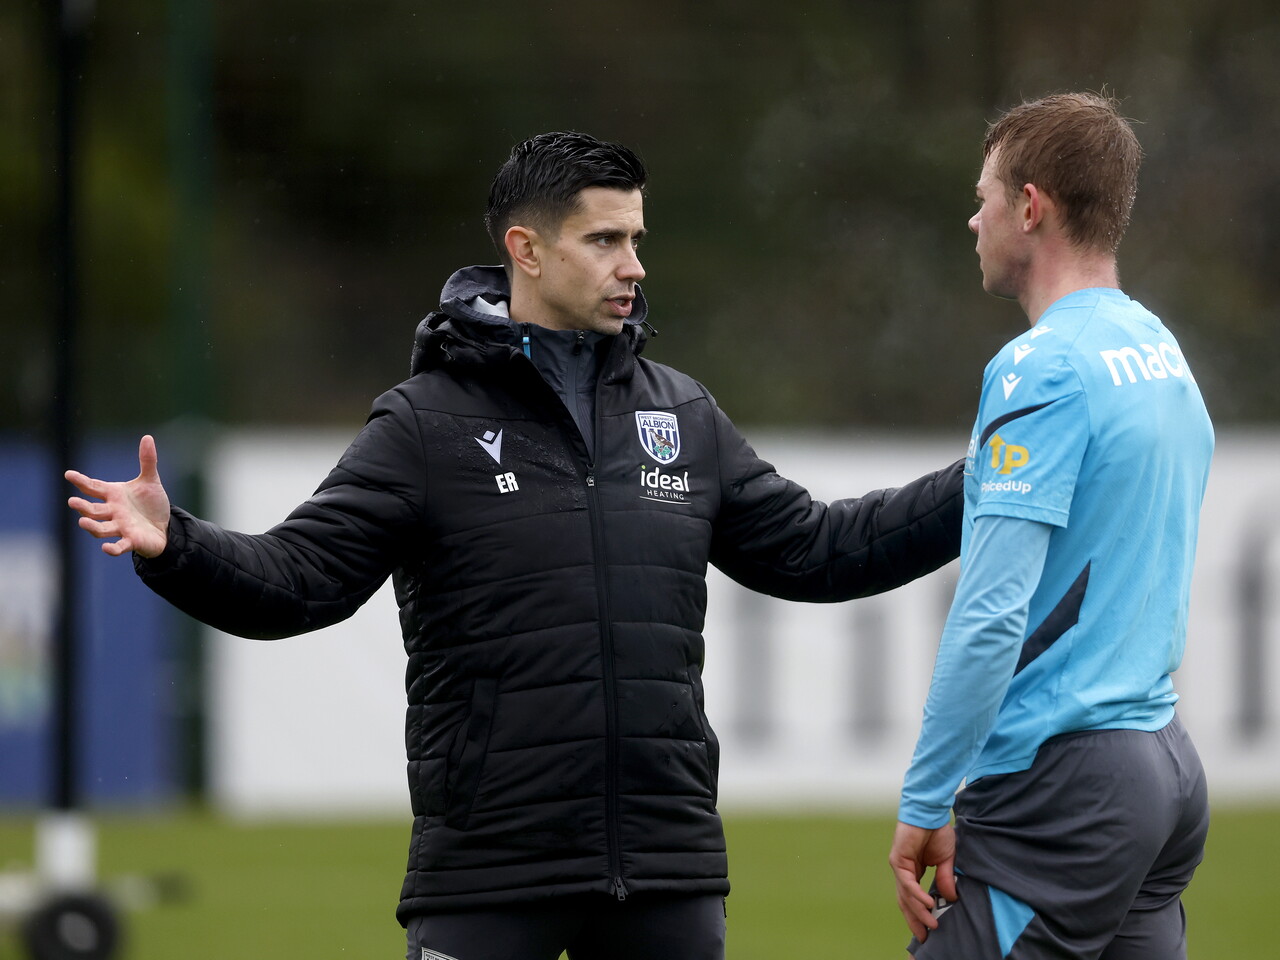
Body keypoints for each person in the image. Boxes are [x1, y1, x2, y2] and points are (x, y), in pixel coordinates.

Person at [66, 131, 964, 960]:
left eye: (637, 239)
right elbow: (300, 581)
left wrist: (987, 482)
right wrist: (172, 543)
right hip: (488, 870)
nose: (634, 267)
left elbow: (818, 550)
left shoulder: (682, 414)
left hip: (666, 869)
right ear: (527, 251)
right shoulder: (426, 423)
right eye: (605, 241)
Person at [889, 93, 1214, 959]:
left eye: (985, 196)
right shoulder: (1160, 351)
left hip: (1069, 781)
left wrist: (925, 804)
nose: (973, 218)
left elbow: (991, 613)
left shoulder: (1039, 368)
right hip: (1164, 765)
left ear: (1030, 207)